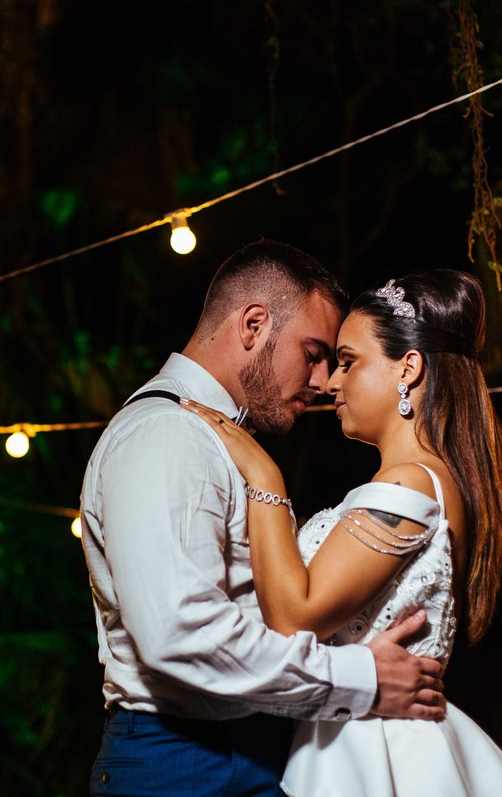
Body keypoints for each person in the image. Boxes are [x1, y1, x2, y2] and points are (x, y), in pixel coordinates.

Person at [79, 239, 446, 797]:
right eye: (313, 353)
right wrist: (360, 678)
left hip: (249, 750)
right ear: (253, 325)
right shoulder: (167, 435)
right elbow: (180, 635)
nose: (322, 381)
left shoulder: (217, 439)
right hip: (184, 761)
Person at [181, 269, 502, 795]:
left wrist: (264, 477)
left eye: (348, 362)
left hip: (373, 749)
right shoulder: (429, 481)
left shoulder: (409, 484)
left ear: (408, 368)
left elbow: (294, 618)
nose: (330, 382)